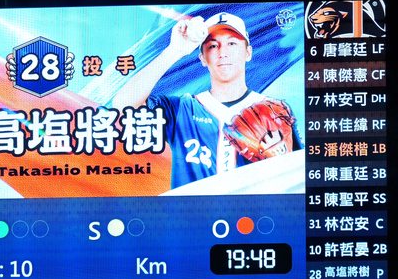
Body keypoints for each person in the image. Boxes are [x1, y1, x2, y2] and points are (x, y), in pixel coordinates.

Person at [112, 11, 301, 190]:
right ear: (202, 58)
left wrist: (279, 158)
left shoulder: (275, 111)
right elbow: (123, 105)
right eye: (213, 45)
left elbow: (300, 180)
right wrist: (174, 51)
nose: (222, 52)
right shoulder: (182, 109)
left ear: (248, 53)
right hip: (192, 213)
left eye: (232, 43)